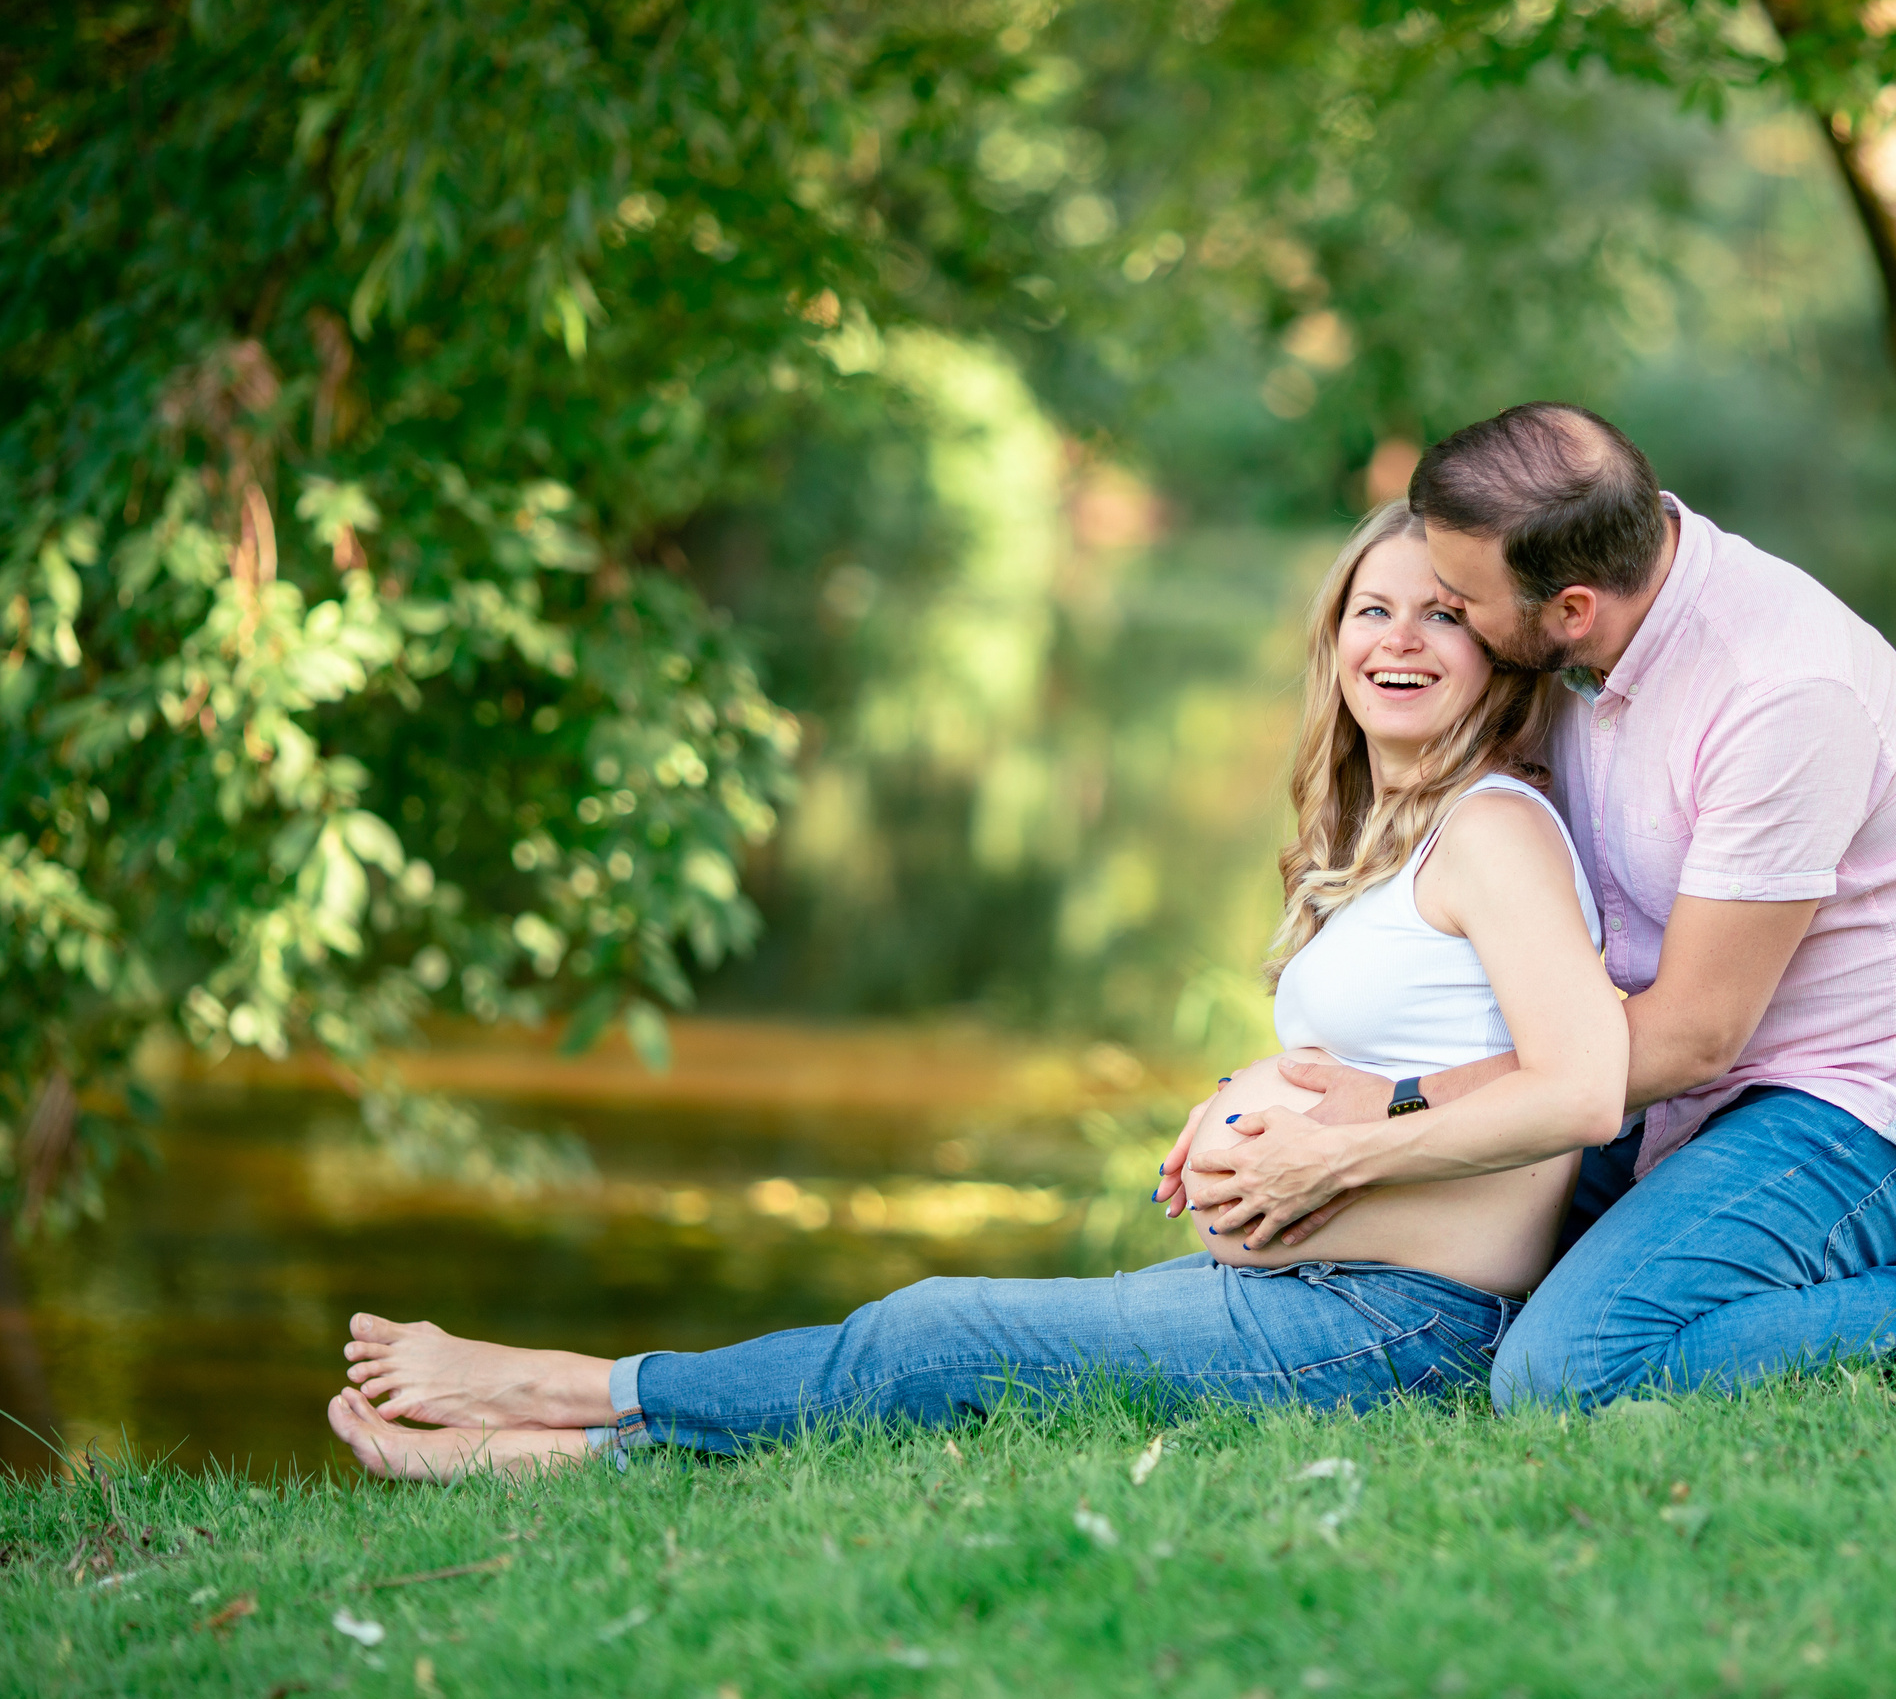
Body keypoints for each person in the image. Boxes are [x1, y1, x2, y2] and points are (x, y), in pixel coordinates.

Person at [327, 504, 1634, 1478]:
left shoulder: (1492, 829)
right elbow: (1413, 1054)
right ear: (1333, 639)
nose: (1399, 639)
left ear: (1497, 651)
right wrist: (1254, 1099)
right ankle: (567, 1455)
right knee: (947, 1356)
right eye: (1372, 609)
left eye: (1442, 615)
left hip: (1398, 1326)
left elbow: (1580, 1087)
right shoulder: (1390, 835)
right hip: (1327, 1298)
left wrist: (1328, 1148)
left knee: (938, 1333)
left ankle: (560, 1391)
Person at [1169, 402, 1896, 1411]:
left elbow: (1691, 1037)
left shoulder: (1782, 693)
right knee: (1486, 1282)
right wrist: (1267, 1101)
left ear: (1570, 608)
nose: (1439, 611)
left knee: (1565, 1369)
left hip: (1849, 1105)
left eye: (1459, 602)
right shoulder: (1576, 622)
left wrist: (1399, 1100)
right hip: (1649, 1089)